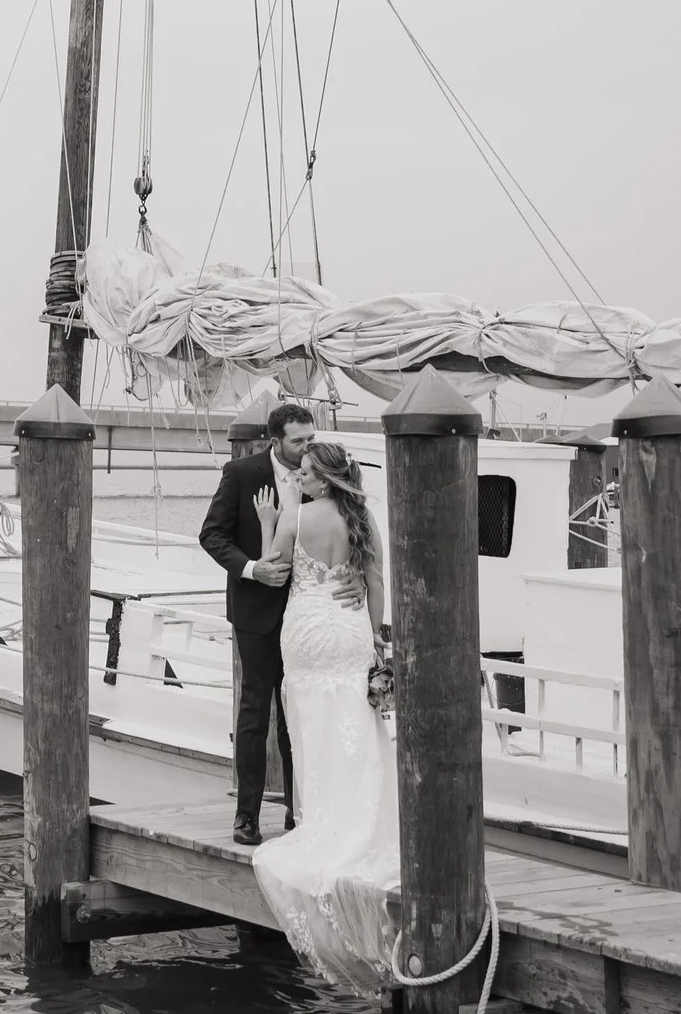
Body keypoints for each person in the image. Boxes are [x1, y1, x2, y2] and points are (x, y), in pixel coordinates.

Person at [247, 439, 402, 995]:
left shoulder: (298, 512)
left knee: (311, 725)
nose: (302, 478)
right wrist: (378, 638)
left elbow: (273, 566)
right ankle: (363, 818)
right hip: (353, 627)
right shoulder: (362, 517)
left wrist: (269, 520)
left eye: (309, 473)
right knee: (358, 726)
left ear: (326, 478)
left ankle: (321, 822)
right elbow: (378, 582)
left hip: (308, 632)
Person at [198, 400, 316, 844]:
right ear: (276, 440)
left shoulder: (319, 475)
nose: (306, 448)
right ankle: (245, 816)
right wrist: (251, 568)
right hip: (255, 610)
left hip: (306, 611)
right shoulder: (242, 474)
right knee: (255, 714)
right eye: (297, 440)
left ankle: (297, 811)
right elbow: (211, 535)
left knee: (298, 714)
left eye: (311, 439)